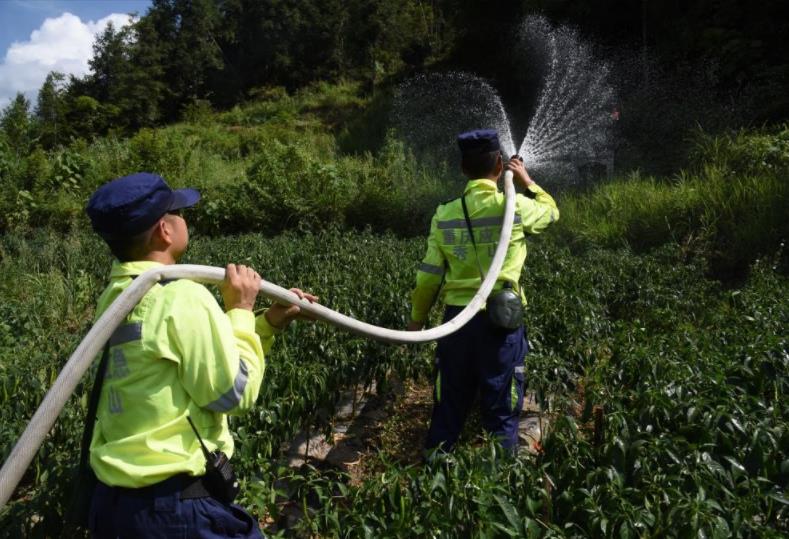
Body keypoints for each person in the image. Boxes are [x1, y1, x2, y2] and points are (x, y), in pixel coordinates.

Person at [83, 172, 317, 538]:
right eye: (180, 212)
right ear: (165, 230)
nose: (185, 219)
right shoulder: (181, 295)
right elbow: (234, 392)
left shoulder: (116, 297)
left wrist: (266, 323)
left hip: (116, 508)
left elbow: (185, 350)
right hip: (174, 510)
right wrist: (240, 307)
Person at [407, 129, 559, 453]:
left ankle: (435, 491)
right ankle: (496, 493)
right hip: (500, 327)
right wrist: (527, 181)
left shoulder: (444, 214)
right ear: (500, 166)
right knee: (502, 415)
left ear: (463, 169)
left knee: (447, 411)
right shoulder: (515, 206)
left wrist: (417, 320)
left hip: (456, 325)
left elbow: (428, 278)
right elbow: (551, 212)